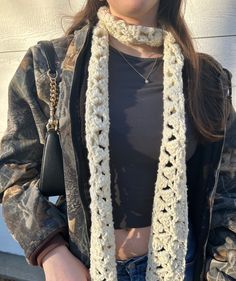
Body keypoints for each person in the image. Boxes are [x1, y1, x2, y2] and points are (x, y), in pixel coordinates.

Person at [0, 0, 235, 280]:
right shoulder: (50, 66)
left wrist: (223, 271)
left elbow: (227, 191)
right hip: (81, 268)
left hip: (181, 266)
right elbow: (12, 173)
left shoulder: (206, 77)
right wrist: (51, 251)